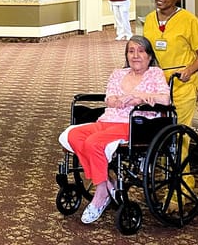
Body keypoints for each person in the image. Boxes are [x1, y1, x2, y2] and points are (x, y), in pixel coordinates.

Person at [58, 36, 171, 224]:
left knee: (93, 143)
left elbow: (165, 100)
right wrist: (113, 101)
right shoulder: (118, 73)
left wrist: (140, 97)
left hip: (134, 124)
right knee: (73, 135)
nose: (136, 55)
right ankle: (106, 182)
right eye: (131, 51)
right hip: (109, 119)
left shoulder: (155, 74)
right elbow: (108, 97)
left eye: (141, 51)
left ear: (150, 56)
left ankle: (101, 193)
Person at [142, 0, 198, 129]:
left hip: (181, 86)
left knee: (177, 136)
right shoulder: (150, 19)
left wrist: (188, 71)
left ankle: (181, 156)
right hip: (156, 87)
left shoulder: (189, 20)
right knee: (156, 133)